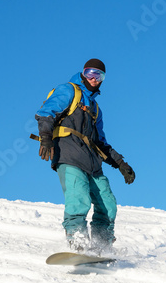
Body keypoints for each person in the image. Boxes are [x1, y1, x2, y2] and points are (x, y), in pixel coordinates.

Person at [34, 58, 135, 254]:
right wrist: (45, 135)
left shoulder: (95, 108)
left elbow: (100, 143)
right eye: (90, 73)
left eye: (99, 75)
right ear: (83, 73)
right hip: (69, 154)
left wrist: (121, 163)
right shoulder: (69, 90)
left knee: (108, 204)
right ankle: (78, 242)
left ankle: (101, 245)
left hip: (92, 162)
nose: (94, 78)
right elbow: (46, 112)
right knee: (78, 198)